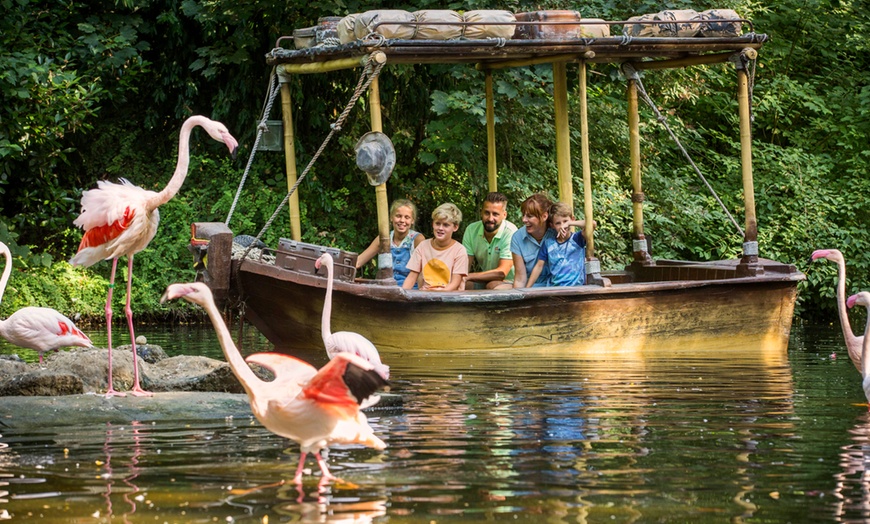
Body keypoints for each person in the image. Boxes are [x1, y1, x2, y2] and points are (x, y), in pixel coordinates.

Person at [356, 199, 425, 287]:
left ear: (412, 220)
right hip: (386, 287)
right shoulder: (384, 238)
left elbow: (423, 272)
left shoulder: (417, 239)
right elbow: (359, 261)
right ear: (391, 217)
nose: (402, 220)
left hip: (410, 290)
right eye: (398, 216)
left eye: (407, 217)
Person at [403, 203, 468, 291]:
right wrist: (401, 295)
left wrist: (439, 292)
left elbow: (455, 283)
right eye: (437, 223)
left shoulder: (459, 250)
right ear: (433, 224)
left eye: (446, 225)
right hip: (425, 296)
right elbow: (411, 277)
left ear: (455, 227)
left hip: (450, 298)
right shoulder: (423, 246)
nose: (440, 228)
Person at [526, 202, 591, 287]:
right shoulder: (548, 244)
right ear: (552, 225)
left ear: (572, 219)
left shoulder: (577, 239)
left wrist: (570, 223)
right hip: (555, 288)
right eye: (558, 223)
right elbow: (539, 266)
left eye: (565, 221)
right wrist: (528, 288)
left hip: (575, 287)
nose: (562, 226)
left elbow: (592, 224)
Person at [461, 192, 517, 290]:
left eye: (495, 214)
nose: (490, 218)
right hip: (485, 280)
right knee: (461, 284)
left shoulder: (510, 232)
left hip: (511, 282)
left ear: (504, 215)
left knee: (492, 286)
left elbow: (501, 273)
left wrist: (468, 276)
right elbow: (465, 266)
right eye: (487, 213)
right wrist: (460, 279)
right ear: (481, 212)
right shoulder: (471, 230)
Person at [508, 193, 556, 289]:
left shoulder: (556, 233)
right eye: (523, 215)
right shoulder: (517, 238)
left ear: (544, 216)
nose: (524, 220)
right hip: (531, 287)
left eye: (529, 216)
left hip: (555, 286)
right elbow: (520, 279)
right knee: (497, 289)